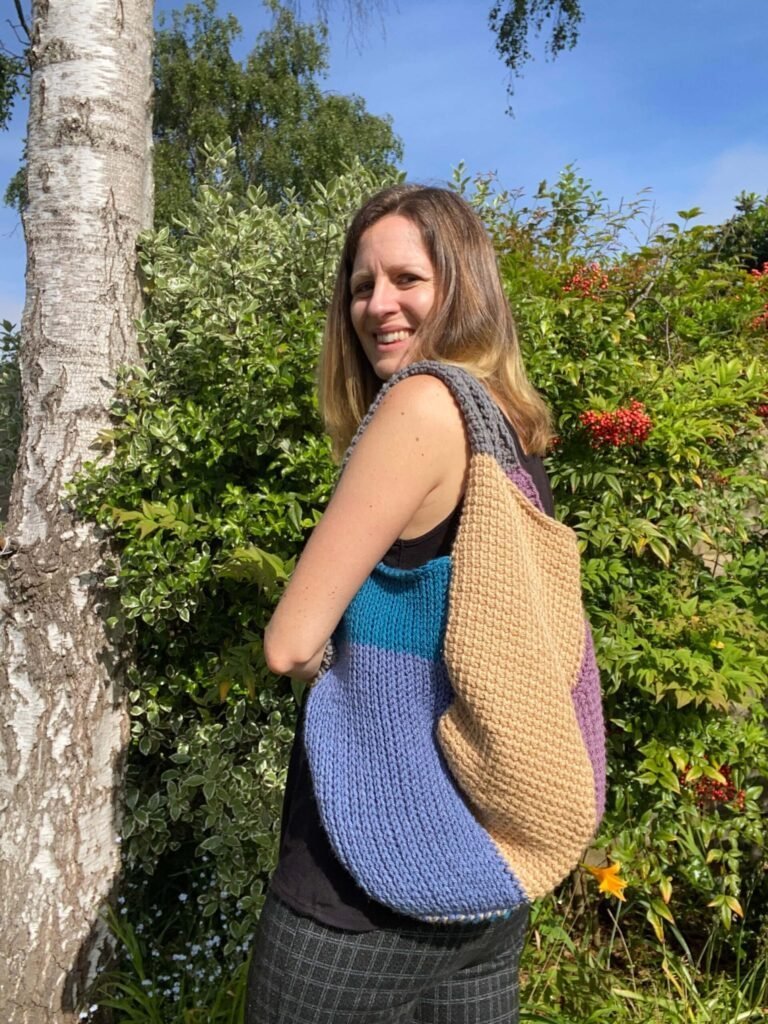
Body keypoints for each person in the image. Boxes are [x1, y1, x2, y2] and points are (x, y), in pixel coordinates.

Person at [246, 184, 557, 1024]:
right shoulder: (509, 427)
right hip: (487, 880)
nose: (377, 305)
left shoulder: (420, 405)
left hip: (363, 888)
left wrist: (329, 653)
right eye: (359, 285)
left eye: (406, 279)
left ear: (462, 285)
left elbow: (288, 644)